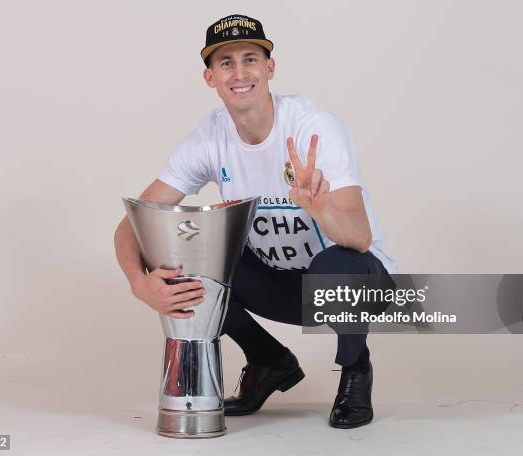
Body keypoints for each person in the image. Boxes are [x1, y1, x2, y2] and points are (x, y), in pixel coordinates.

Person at [114, 14, 398, 429]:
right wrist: (139, 284)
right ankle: (270, 362)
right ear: (210, 77)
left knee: (335, 263)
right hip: (283, 286)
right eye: (226, 62)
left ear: (270, 68)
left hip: (357, 282)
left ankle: (356, 368)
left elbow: (359, 236)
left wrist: (320, 209)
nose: (240, 72)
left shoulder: (312, 127)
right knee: (190, 253)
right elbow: (132, 225)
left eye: (251, 58)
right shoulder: (209, 138)